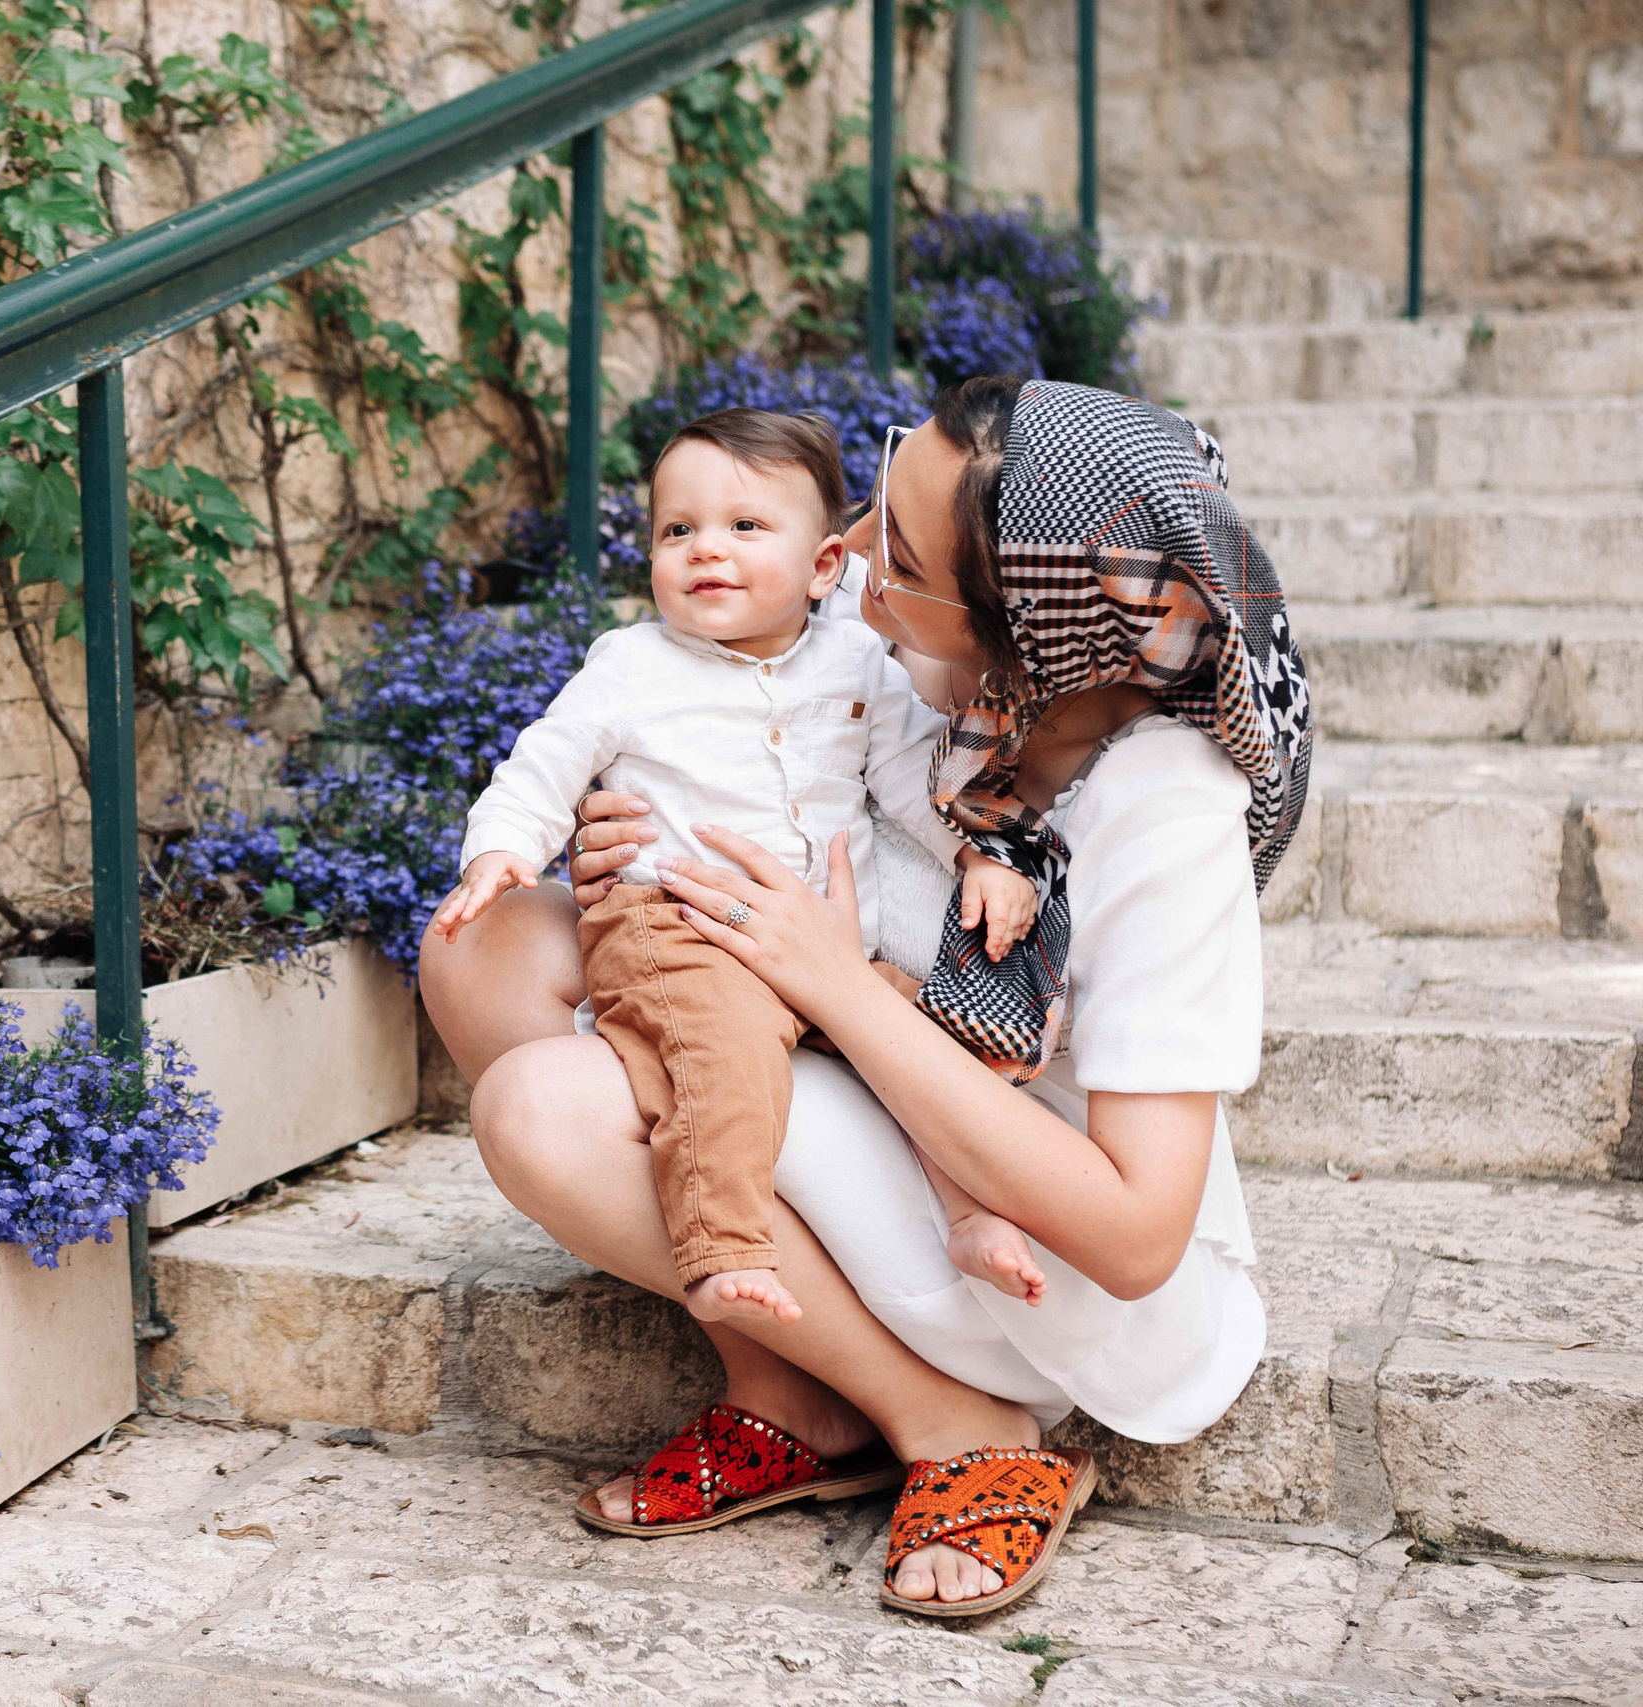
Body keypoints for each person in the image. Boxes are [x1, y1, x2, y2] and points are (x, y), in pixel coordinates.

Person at [419, 376, 1312, 1618]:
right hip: (858, 1080)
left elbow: (1134, 1235)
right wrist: (633, 815)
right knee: (481, 950)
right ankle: (788, 1388)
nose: (846, 569)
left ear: (1017, 620)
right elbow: (756, 752)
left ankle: (955, 1422)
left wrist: (835, 986)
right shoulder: (940, 690)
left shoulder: (1165, 808)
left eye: (894, 555)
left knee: (539, 1109)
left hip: (1039, 1252)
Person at [429, 408, 1035, 1331]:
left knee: (920, 1044)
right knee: (722, 1057)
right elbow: (546, 759)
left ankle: (968, 1210)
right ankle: (723, 1249)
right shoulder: (632, 665)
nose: (707, 549)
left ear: (826, 565)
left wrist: (976, 852)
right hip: (684, 932)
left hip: (831, 946)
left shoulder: (859, 661)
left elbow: (916, 775)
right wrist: (504, 847)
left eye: (745, 528)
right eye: (679, 530)